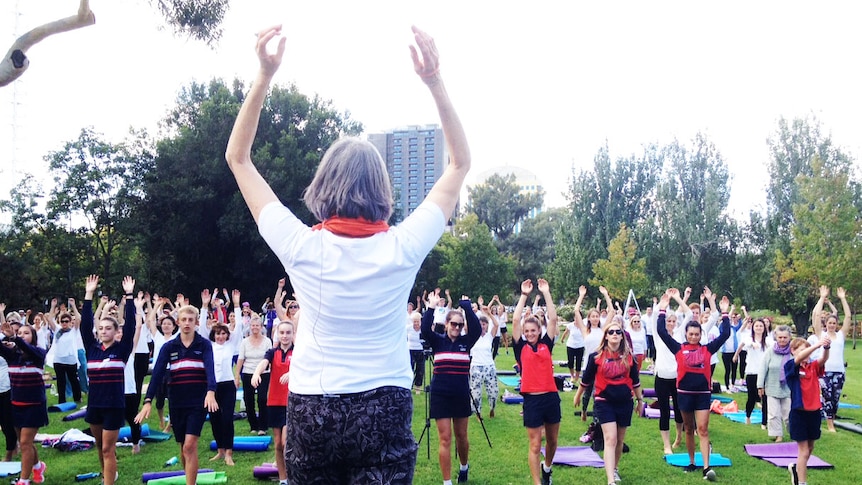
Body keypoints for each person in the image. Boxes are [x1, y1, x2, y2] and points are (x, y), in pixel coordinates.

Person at [225, 23, 470, 483]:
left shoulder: (302, 245)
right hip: (385, 405)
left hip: (313, 407)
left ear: (323, 183)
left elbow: (238, 158)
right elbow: (459, 164)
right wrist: (434, 80)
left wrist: (263, 75)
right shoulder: (402, 246)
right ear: (382, 188)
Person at [135, 305, 219, 485]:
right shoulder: (168, 347)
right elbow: (157, 374)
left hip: (198, 401)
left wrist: (211, 391)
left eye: (190, 320)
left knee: (190, 445)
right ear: (178, 322)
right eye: (184, 320)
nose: (187, 323)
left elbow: (210, 370)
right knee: (183, 448)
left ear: (196, 322)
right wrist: (148, 401)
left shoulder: (204, 345)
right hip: (176, 401)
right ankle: (191, 479)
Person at [655, 288, 730, 482]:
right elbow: (662, 332)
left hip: (703, 395)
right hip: (684, 394)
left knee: (702, 429)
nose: (694, 337)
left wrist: (724, 313)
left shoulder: (707, 349)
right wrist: (662, 310)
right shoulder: (678, 348)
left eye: (697, 334)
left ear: (700, 334)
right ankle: (691, 462)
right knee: (688, 429)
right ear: (686, 334)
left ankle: (706, 467)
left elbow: (726, 334)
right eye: (691, 334)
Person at [81, 275, 137, 485]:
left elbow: (131, 325)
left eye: (108, 328)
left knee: (107, 448)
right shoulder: (91, 349)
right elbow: (85, 326)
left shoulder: (121, 350)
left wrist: (130, 297)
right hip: (95, 405)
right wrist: (89, 295)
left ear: (116, 332)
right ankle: (108, 475)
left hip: (114, 405)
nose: (104, 331)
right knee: (99, 446)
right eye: (101, 329)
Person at [575, 320, 644, 485]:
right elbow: (586, 380)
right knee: (610, 438)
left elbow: (635, 382)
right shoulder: (596, 357)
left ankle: (614, 468)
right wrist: (578, 396)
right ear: (605, 336)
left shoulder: (629, 358)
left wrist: (640, 400)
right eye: (611, 332)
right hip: (604, 401)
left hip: (625, 402)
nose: (614, 335)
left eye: (618, 332)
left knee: (619, 440)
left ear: (622, 337)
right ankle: (610, 480)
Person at [421, 295, 480, 484]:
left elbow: (477, 329)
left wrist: (466, 308)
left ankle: (464, 466)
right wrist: (430, 308)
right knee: (445, 438)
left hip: (460, 394)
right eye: (453, 324)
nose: (456, 328)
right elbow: (424, 329)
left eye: (460, 325)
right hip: (440, 395)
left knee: (461, 436)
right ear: (446, 323)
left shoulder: (466, 342)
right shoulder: (438, 341)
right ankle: (447, 482)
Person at [513, 279, 560, 485]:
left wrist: (546, 292)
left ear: (538, 332)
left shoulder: (546, 345)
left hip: (550, 398)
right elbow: (515, 320)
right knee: (534, 444)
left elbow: (553, 320)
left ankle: (547, 468)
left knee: (552, 441)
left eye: (533, 331)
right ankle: (537, 482)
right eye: (527, 331)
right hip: (532, 401)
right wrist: (524, 295)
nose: (530, 334)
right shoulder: (520, 347)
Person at [0, 318, 49, 484]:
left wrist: (15, 338)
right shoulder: (12, 356)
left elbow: (27, 347)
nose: (22, 335)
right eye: (19, 332)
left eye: (26, 333)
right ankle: (38, 466)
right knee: (25, 442)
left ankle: (23, 480)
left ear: (33, 337)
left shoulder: (39, 353)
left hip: (34, 406)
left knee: (25, 443)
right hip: (16, 405)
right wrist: (4, 336)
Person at [252, 321, 295, 485]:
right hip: (274, 401)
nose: (284, 336)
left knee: (286, 442)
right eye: (282, 332)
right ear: (277, 333)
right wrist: (257, 373)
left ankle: (293, 475)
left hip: (291, 402)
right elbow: (264, 363)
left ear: (292, 334)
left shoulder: (298, 352)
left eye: (288, 333)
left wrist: (292, 372)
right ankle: (283, 478)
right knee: (277, 444)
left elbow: (304, 366)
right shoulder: (271, 352)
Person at [786, 335, 830, 485]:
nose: (807, 353)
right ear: (793, 351)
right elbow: (799, 358)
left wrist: (826, 347)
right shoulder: (791, 365)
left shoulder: (812, 367)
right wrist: (817, 345)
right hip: (799, 413)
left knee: (810, 448)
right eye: (803, 350)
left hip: (814, 412)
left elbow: (823, 360)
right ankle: (802, 482)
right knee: (803, 451)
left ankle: (795, 468)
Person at [811, 285, 850, 432]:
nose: (832, 325)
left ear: (836, 324)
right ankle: (830, 425)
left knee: (835, 398)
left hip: (839, 372)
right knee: (827, 397)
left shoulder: (841, 336)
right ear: (825, 324)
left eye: (834, 323)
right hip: (825, 372)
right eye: (829, 323)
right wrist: (821, 298)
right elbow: (816, 316)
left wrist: (843, 299)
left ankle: (831, 418)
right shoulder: (822, 335)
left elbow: (848, 317)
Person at [652, 290, 685, 455]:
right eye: (668, 321)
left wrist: (679, 298)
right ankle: (666, 444)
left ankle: (679, 437)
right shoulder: (660, 336)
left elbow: (688, 315)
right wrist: (662, 305)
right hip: (662, 378)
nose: (671, 323)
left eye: (673, 321)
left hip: (677, 379)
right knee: (664, 410)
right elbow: (654, 319)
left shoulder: (679, 335)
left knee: (679, 410)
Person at [235, 315, 272, 435]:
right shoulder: (245, 342)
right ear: (250, 327)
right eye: (253, 325)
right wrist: (236, 376)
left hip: (263, 373)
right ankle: (253, 426)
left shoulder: (267, 341)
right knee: (248, 400)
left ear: (261, 327)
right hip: (248, 373)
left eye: (257, 325)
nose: (255, 328)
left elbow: (270, 359)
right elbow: (240, 359)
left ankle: (263, 426)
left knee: (262, 399)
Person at [733, 318, 772, 426]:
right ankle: (748, 416)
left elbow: (774, 347)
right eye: (757, 326)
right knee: (751, 397)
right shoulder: (749, 338)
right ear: (753, 328)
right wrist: (736, 355)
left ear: (764, 328)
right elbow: (743, 344)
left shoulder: (768, 340)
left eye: (761, 326)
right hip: (751, 371)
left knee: (765, 398)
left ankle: (764, 423)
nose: (759, 328)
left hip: (765, 372)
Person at [758, 325, 793, 442]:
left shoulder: (793, 352)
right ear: (776, 338)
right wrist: (760, 385)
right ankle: (778, 435)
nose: (782, 340)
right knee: (774, 413)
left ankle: (794, 433)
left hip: (788, 388)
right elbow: (762, 368)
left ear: (789, 338)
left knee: (788, 414)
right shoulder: (770, 351)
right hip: (772, 387)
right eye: (780, 337)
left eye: (785, 337)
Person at [470, 311, 500, 419]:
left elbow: (496, 325)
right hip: (476, 366)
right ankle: (478, 413)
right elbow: (465, 325)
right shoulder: (472, 336)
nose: (482, 326)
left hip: (489, 366)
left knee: (493, 391)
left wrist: (489, 314)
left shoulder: (489, 336)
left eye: (484, 324)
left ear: (487, 325)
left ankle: (492, 408)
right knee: (476, 391)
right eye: (480, 324)